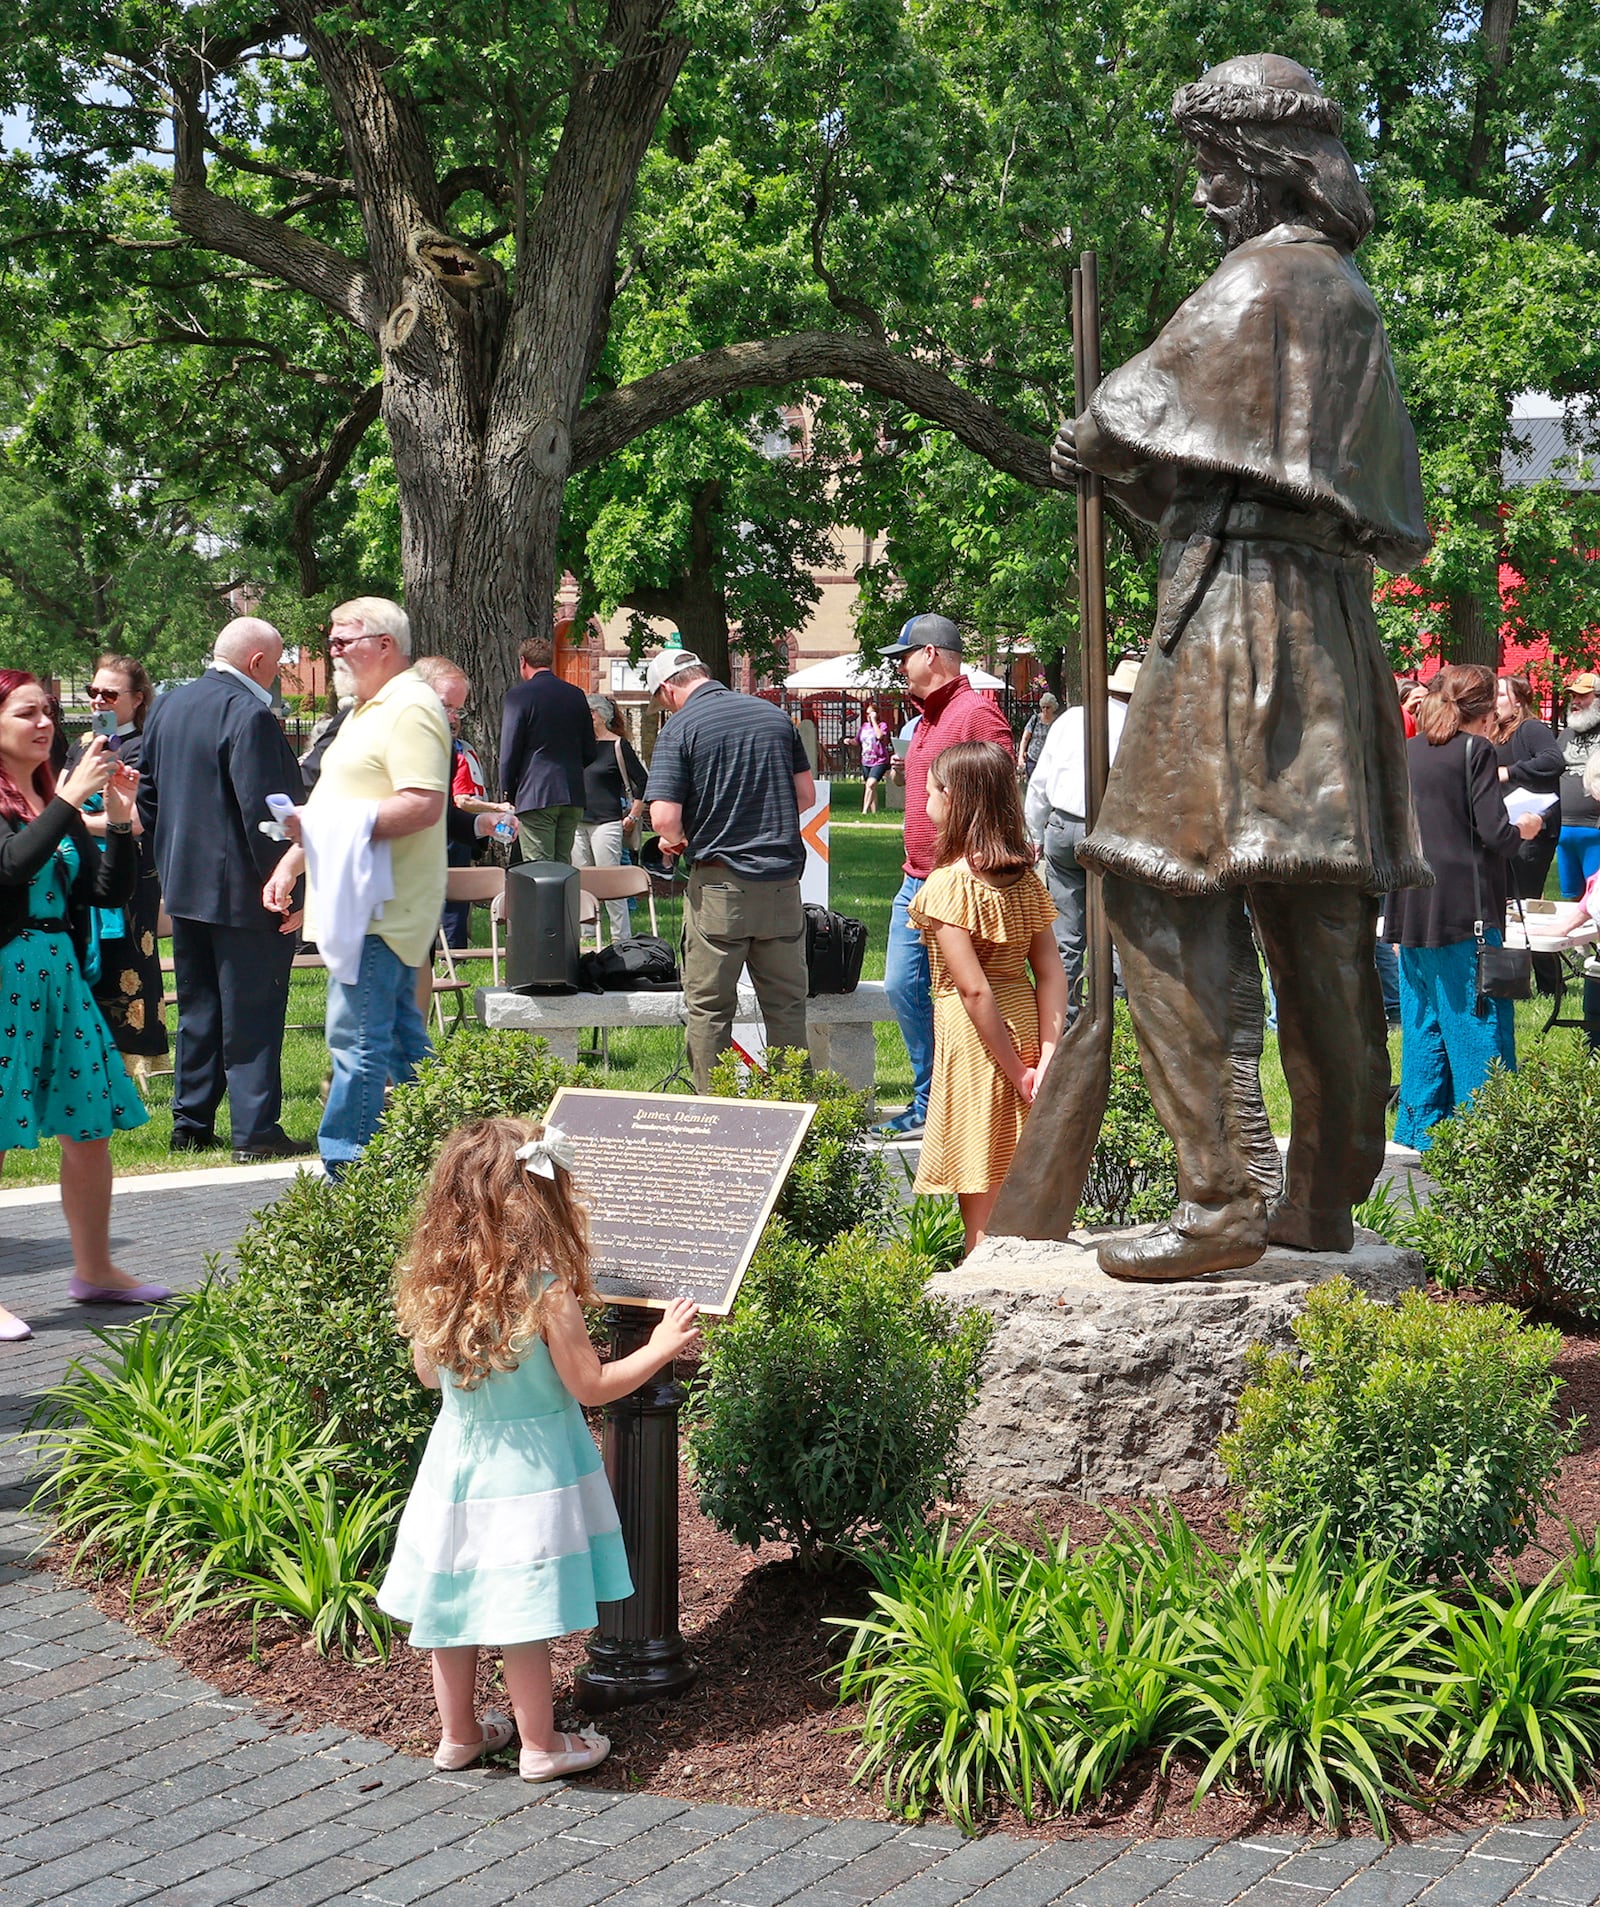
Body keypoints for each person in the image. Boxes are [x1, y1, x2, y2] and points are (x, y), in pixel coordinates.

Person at [1052, 54, 1435, 1277]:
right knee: (1320, 911)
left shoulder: (1257, 280)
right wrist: (1133, 467)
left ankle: (1217, 1198)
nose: (1207, 192)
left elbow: (1129, 412)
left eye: (1217, 166)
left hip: (1235, 622)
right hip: (1326, 621)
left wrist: (1093, 444)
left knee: (1150, 887)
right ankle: (1322, 1197)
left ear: (1267, 166)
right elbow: (1269, 468)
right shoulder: (1354, 301)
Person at [379, 1116, 700, 1779]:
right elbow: (591, 1385)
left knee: (452, 1599)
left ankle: (460, 1736)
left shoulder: (438, 1279)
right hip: (530, 1473)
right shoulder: (544, 1287)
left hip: (454, 1466)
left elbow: (426, 1372)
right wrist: (661, 1346)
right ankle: (540, 1745)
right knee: (521, 1611)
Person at [0, 671, 170, 1338]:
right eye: (25, 714)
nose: (44, 725)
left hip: (57, 976)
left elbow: (104, 894)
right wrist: (69, 799)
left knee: (89, 1126)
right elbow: (10, 867)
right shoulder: (50, 800)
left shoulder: (47, 795)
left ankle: (95, 1268)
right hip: (5, 974)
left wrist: (121, 821)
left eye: (47, 713)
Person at [264, 597, 450, 1175]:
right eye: (333, 640)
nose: (333, 650)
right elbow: (339, 802)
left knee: (357, 1042)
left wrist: (324, 827)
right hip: (360, 902)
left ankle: (350, 1172)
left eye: (344, 640)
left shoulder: (411, 707)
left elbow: (422, 806)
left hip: (380, 907)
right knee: (398, 1040)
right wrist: (293, 860)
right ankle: (457, 1156)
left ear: (384, 644)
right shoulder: (366, 710)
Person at [138, 619, 311, 1161]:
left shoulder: (168, 706)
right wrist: (288, 886)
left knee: (199, 1009)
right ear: (258, 661)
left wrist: (170, 859)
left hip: (186, 888)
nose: (282, 673)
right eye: (280, 663)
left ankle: (191, 1122)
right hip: (246, 891)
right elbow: (266, 815)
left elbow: (148, 794)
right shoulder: (250, 714)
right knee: (252, 1013)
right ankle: (255, 1130)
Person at [911, 743, 1066, 1253]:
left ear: (952, 798)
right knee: (1020, 1164)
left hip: (977, 1041)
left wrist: (1017, 1069)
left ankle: (982, 1289)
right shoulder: (1024, 879)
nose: (924, 798)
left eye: (931, 788)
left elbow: (972, 988)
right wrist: (1046, 1057)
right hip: (1023, 1019)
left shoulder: (946, 885)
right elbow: (1049, 971)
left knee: (980, 1169)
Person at [1384, 666, 1544, 1151]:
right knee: (1478, 1023)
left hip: (1411, 902)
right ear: (1484, 709)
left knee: (1423, 1021)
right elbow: (1496, 833)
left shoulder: (1408, 751)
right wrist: (1528, 828)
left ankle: (1419, 1131)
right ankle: (1486, 1136)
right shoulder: (1478, 751)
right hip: (1464, 907)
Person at [644, 648, 812, 1092]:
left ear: (667, 688)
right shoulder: (773, 716)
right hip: (781, 885)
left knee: (711, 1009)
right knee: (787, 1007)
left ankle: (717, 1118)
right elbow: (805, 795)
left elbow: (663, 818)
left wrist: (676, 841)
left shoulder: (679, 728)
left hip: (719, 884)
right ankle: (799, 1115)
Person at [877, 613, 1015, 1138]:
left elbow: (1001, 797)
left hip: (958, 888)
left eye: (903, 657)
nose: (899, 668)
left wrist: (975, 866)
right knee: (903, 988)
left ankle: (957, 1104)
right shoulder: (930, 719)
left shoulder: (974, 714)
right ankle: (932, 1100)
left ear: (930, 654)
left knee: (961, 995)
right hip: (916, 882)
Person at [64, 655, 168, 1080]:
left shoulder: (144, 747)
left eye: (110, 693)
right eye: (93, 692)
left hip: (130, 871)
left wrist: (77, 818)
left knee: (127, 964)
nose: (98, 701)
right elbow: (58, 798)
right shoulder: (80, 746)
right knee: (87, 960)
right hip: (82, 869)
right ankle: (88, 1056)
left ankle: (129, 1064)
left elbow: (138, 820)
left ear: (137, 699)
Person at [1023, 657, 1139, 1008]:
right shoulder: (1138, 725)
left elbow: (1039, 782)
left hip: (1062, 827)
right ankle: (1114, 1015)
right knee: (1120, 932)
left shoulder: (1071, 718)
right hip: (1112, 832)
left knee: (1066, 935)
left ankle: (1064, 1019)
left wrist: (1036, 835)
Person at [413, 657, 512, 951]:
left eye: (457, 710)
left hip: (422, 885)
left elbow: (444, 812)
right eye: (445, 706)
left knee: (419, 980)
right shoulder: (378, 736)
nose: (453, 718)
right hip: (381, 887)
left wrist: (482, 823)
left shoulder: (444, 751)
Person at [499, 638, 597, 864]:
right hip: (571, 793)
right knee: (563, 864)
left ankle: (545, 902)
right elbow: (590, 750)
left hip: (535, 793)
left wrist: (509, 792)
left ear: (523, 662)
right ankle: (565, 901)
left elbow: (509, 751)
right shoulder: (576, 695)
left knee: (539, 866)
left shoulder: (519, 696)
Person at [570, 694, 647, 942]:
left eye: (589, 712)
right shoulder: (577, 745)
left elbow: (643, 783)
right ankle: (587, 933)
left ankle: (620, 937)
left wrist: (634, 815)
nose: (585, 717)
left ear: (601, 715)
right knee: (580, 879)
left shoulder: (617, 745)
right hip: (577, 821)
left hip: (607, 822)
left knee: (610, 881)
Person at [1493, 674, 1564, 901]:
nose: (1494, 699)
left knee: (1521, 897)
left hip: (1532, 828)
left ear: (1518, 702)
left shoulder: (1530, 729)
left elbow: (1554, 760)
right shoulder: (1494, 734)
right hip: (1504, 827)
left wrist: (1510, 771)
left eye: (1501, 694)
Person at [1555, 672, 1600, 901]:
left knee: (1596, 903)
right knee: (1572, 901)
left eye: (1583, 696)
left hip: (1595, 831)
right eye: (1573, 696)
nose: (1576, 701)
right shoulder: (1565, 735)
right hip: (1564, 831)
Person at [1016, 693, 1059, 787]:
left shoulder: (1057, 722)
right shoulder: (1035, 719)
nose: (1045, 710)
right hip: (1033, 759)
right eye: (1043, 707)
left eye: (1048, 707)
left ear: (1053, 707)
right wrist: (1020, 757)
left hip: (1050, 760)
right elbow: (1025, 738)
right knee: (1032, 786)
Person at [858, 701, 892, 813]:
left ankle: (864, 811)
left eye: (871, 713)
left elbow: (879, 736)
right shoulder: (864, 726)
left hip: (879, 760)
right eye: (867, 714)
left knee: (870, 784)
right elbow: (858, 740)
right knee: (871, 787)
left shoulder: (882, 725)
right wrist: (849, 741)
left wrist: (874, 721)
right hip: (866, 760)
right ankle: (874, 812)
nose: (869, 716)